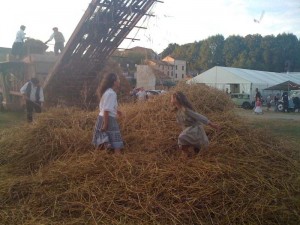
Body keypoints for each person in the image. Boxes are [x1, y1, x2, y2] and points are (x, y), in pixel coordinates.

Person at [171, 91, 220, 157]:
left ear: (176, 99)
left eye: (172, 98)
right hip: (188, 130)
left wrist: (213, 125)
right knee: (184, 141)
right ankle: (189, 155)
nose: (171, 100)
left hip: (195, 130)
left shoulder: (186, 110)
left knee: (181, 138)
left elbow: (200, 117)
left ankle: (189, 154)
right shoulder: (177, 111)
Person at [92, 73, 124, 154]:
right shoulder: (111, 93)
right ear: (114, 82)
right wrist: (106, 125)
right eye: (118, 80)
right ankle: (119, 160)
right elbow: (106, 110)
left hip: (101, 118)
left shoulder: (107, 92)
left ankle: (96, 159)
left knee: (101, 141)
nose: (119, 81)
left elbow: (106, 107)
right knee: (116, 142)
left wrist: (117, 111)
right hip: (108, 119)